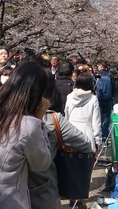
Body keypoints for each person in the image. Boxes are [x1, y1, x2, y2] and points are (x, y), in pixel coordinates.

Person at [0, 62, 53, 209]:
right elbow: (41, 164)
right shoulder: (29, 125)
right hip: (10, 200)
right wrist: (40, 118)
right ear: (38, 93)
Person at [28, 79, 93, 208]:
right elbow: (85, 143)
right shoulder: (52, 119)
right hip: (44, 191)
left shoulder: (2, 117)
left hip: (9, 195)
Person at [64, 72, 102, 152]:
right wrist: (98, 141)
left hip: (71, 134)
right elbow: (96, 122)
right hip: (87, 135)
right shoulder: (93, 98)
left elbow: (66, 116)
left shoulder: (70, 96)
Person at [95, 63, 113, 140]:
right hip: (108, 98)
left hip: (98, 98)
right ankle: (104, 133)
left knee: (98, 115)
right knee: (106, 115)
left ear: (101, 66)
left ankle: (98, 132)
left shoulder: (96, 75)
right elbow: (114, 87)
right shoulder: (109, 75)